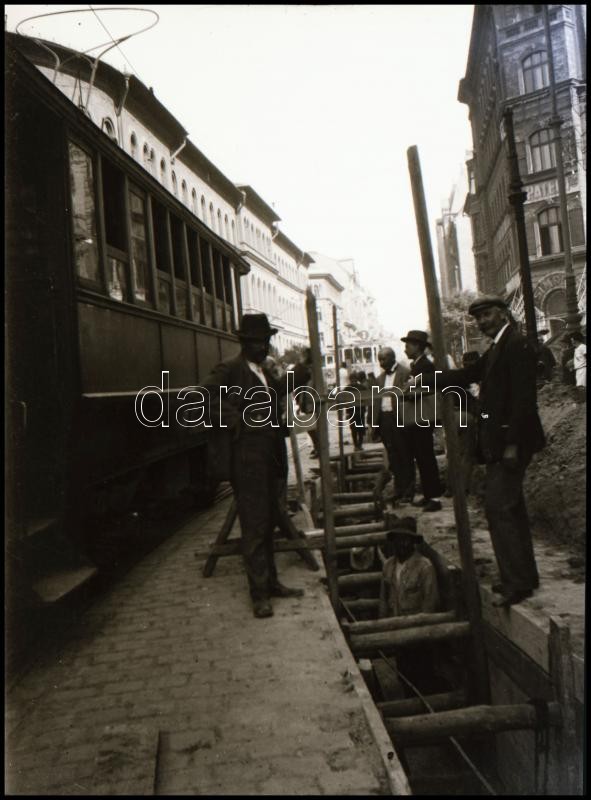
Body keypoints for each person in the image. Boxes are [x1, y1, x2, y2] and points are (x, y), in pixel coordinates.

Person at [438, 295, 545, 607]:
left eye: (487, 315)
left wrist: (512, 443)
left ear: (503, 314)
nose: (482, 322)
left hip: (512, 442)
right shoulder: (498, 346)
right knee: (512, 508)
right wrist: (432, 379)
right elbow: (469, 375)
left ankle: (516, 583)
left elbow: (524, 400)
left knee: (498, 508)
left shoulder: (517, 345)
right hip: (501, 442)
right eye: (479, 318)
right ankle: (525, 576)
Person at [202, 313, 304, 618]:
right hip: (247, 459)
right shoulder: (231, 369)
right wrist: (236, 423)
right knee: (255, 525)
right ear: (245, 343)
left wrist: (302, 374)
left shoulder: (261, 372)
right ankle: (259, 594)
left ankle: (271, 583)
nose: (264, 347)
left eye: (266, 341)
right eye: (258, 342)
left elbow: (275, 394)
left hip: (269, 455)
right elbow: (206, 394)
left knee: (270, 518)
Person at [401, 330, 444, 512]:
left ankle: (434, 497)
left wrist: (407, 394)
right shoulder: (417, 365)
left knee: (426, 456)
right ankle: (428, 495)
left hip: (423, 417)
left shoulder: (425, 366)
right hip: (418, 417)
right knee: (422, 456)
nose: (405, 349)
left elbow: (428, 389)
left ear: (417, 347)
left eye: (408, 345)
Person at [370, 347, 414, 503]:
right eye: (379, 359)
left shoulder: (405, 372)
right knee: (393, 457)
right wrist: (374, 425)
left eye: (384, 359)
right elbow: (375, 403)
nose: (381, 363)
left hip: (400, 418)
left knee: (405, 454)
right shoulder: (380, 378)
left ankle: (408, 491)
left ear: (393, 357)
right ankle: (399, 489)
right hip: (385, 420)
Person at [378, 517, 440, 618]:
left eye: (405, 539)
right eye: (397, 539)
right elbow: (383, 602)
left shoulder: (424, 567)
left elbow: (429, 604)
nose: (401, 544)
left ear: (413, 541)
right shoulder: (388, 566)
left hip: (415, 628)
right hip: (393, 626)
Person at [292, 347, 319, 458]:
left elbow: (309, 387)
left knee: (312, 428)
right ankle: (317, 447)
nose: (301, 358)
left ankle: (318, 448)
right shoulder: (308, 369)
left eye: (302, 355)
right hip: (306, 402)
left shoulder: (312, 370)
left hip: (311, 402)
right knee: (310, 427)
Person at [347, 370, 368, 451]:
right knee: (361, 428)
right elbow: (367, 399)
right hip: (360, 411)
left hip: (351, 412)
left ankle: (356, 445)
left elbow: (344, 400)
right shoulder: (362, 387)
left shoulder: (347, 388)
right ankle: (360, 445)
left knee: (353, 429)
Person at [569, 330, 586, 402]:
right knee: (579, 385)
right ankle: (582, 399)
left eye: (572, 339)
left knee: (581, 385)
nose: (571, 341)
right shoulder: (576, 349)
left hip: (583, 368)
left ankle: (583, 400)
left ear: (576, 339)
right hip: (578, 369)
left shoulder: (583, 347)